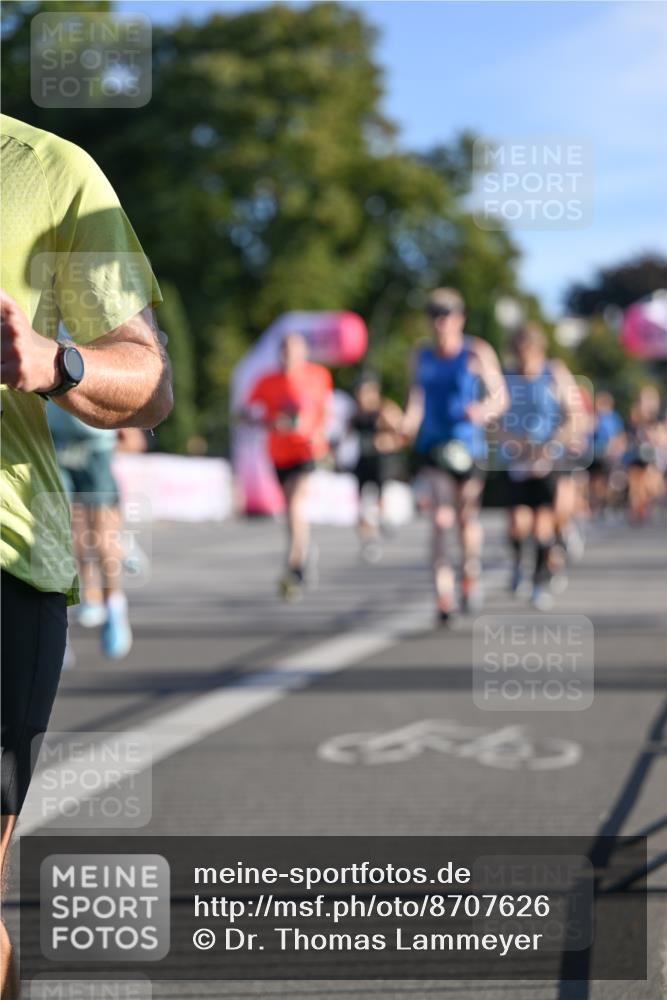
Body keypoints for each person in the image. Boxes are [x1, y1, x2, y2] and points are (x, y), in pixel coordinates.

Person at [1, 115, 172, 999]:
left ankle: (113, 600)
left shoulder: (50, 171)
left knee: (102, 517)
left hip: (5, 558)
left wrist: (54, 361)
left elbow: (151, 383)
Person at [403, 288, 508, 624]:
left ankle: (470, 574)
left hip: (468, 447)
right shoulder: (420, 356)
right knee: (440, 519)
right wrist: (406, 424)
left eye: (446, 315)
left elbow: (500, 397)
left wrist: (483, 410)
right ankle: (443, 594)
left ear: (459, 319)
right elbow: (415, 399)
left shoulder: (475, 351)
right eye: (434, 315)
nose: (440, 322)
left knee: (465, 519)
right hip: (433, 446)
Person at [240, 332, 333, 601]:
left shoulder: (318, 375)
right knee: (291, 510)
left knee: (295, 504)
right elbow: (244, 414)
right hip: (279, 454)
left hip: (308, 450)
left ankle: (294, 565)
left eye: (294, 349)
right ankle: (304, 549)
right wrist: (270, 423)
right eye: (284, 349)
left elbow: (325, 410)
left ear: (304, 352)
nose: (288, 355)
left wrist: (319, 433)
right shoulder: (266, 381)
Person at [499, 324, 585, 610]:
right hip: (517, 460)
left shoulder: (554, 372)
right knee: (517, 523)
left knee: (542, 525)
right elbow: (493, 421)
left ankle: (539, 581)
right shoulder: (505, 378)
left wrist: (553, 442)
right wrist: (512, 441)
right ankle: (518, 564)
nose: (524, 359)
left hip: (550, 458)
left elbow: (575, 415)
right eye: (519, 353)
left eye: (529, 352)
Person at [47, 403, 134, 660]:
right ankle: (63, 623)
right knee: (61, 537)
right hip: (53, 441)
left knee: (103, 537)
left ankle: (114, 606)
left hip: (96, 443)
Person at [348, 372, 405, 562]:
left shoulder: (385, 411)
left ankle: (384, 518)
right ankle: (369, 541)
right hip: (362, 462)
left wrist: (389, 442)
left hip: (381, 462)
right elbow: (345, 437)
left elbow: (404, 434)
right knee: (361, 505)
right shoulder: (356, 414)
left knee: (379, 499)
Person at [623, 386, 666, 523]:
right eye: (645, 400)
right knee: (636, 482)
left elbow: (662, 439)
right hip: (637, 457)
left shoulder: (659, 419)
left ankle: (646, 504)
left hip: (655, 458)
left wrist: (655, 436)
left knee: (652, 486)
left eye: (651, 400)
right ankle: (637, 508)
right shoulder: (634, 418)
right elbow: (626, 437)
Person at [588, 390, 625, 518]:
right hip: (594, 455)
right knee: (594, 482)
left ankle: (605, 504)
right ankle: (596, 505)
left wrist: (616, 450)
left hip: (607, 456)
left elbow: (619, 436)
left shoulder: (614, 418)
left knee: (606, 482)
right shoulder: (594, 417)